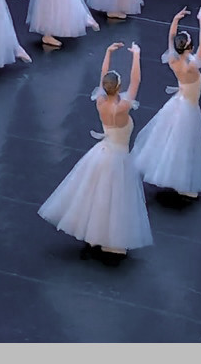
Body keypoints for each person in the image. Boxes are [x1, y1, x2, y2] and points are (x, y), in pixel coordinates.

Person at [38, 41, 153, 263]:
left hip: (102, 154)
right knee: (116, 200)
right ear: (119, 88)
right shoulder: (121, 108)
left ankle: (95, 234)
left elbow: (102, 77)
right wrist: (136, 55)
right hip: (118, 158)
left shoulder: (100, 102)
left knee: (99, 198)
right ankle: (112, 242)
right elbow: (137, 80)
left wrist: (107, 53)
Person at [131, 7, 201, 199]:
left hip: (178, 102)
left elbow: (171, 36)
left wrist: (175, 19)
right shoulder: (191, 66)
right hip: (188, 109)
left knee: (172, 142)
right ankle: (181, 182)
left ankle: (173, 176)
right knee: (183, 145)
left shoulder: (173, 60)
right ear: (189, 48)